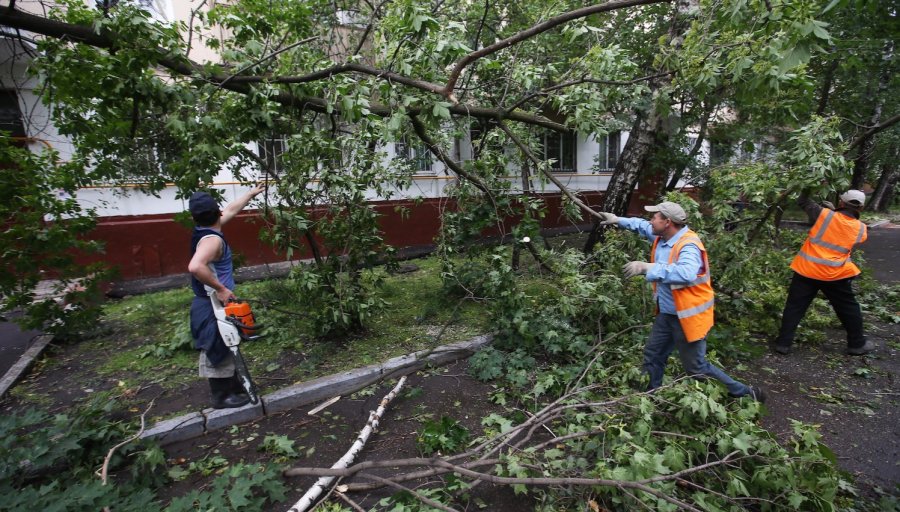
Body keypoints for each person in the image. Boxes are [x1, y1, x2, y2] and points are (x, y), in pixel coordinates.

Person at [598, 201, 766, 402]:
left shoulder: (688, 245)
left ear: (667, 222)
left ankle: (746, 393)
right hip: (667, 313)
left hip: (687, 316)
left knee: (696, 367)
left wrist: (647, 267)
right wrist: (617, 220)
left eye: (655, 217)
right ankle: (649, 396)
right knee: (653, 354)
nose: (651, 221)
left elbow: (686, 273)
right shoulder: (664, 236)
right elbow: (642, 226)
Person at [188, 183, 267, 409]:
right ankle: (221, 397)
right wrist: (221, 289)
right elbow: (195, 266)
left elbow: (232, 209)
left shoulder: (205, 230)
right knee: (217, 343)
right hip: (211, 301)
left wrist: (250, 194)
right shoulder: (212, 240)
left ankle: (232, 388)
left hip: (212, 300)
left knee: (228, 340)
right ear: (217, 212)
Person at [771, 190, 873, 356]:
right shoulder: (861, 229)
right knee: (849, 308)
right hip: (836, 274)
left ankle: (783, 343)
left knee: (795, 307)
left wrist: (812, 184)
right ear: (861, 208)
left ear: (841, 203)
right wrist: (835, 212)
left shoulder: (823, 214)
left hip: (807, 270)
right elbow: (843, 229)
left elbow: (803, 200)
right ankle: (857, 344)